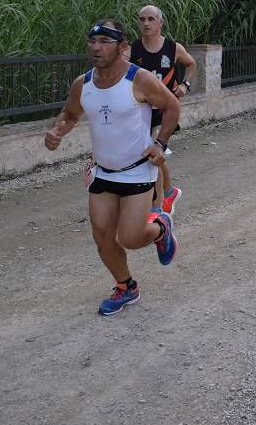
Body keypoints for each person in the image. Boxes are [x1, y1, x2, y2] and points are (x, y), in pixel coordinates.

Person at [44, 19, 180, 316]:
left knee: (130, 238)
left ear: (122, 47)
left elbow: (172, 106)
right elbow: (69, 113)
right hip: (103, 172)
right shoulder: (83, 84)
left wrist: (160, 144)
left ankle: (160, 229)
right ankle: (125, 286)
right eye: (92, 42)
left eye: (105, 42)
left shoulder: (139, 79)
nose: (96, 48)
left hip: (137, 170)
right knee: (103, 235)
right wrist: (57, 131)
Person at [129, 5, 197, 216]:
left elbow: (192, 64)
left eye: (150, 19)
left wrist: (185, 85)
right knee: (154, 155)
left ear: (160, 22)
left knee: (152, 152)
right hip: (142, 111)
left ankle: (156, 207)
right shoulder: (134, 49)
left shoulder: (172, 47)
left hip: (165, 111)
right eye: (142, 19)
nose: (146, 23)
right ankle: (169, 191)